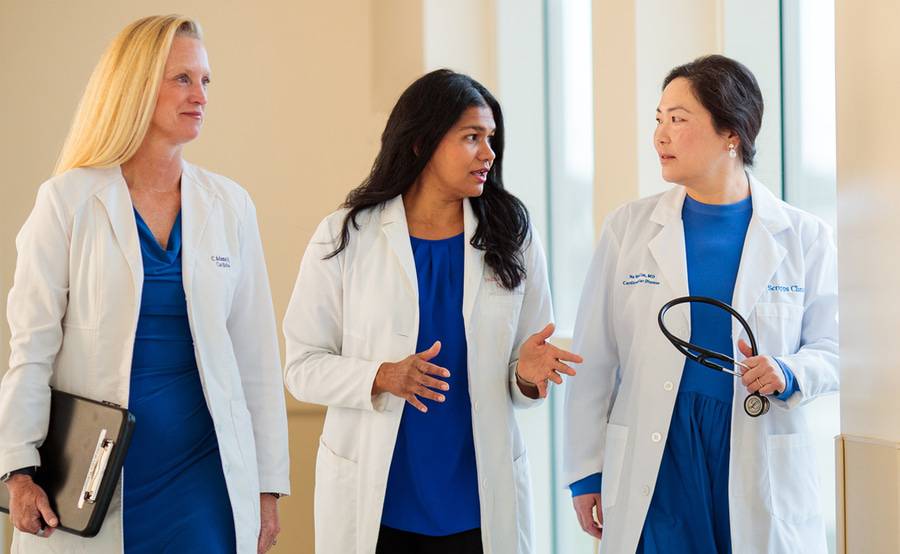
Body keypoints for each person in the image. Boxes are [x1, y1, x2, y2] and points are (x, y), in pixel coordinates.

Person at [0, 15, 290, 553]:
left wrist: (267, 487)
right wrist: (16, 469)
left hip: (204, 478)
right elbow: (31, 348)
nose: (199, 94)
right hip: (94, 481)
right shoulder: (67, 202)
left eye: (205, 81)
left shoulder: (230, 206)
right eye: (181, 79)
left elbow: (256, 359)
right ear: (136, 86)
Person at [283, 69, 580, 554]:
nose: (488, 154)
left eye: (491, 139)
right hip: (379, 504)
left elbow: (522, 373)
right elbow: (301, 367)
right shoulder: (346, 235)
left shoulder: (513, 236)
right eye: (471, 138)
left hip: (478, 504)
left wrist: (527, 375)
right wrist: (380, 375)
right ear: (421, 143)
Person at [563, 54, 838, 553]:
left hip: (751, 446)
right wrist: (585, 472)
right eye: (659, 120)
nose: (661, 136)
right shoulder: (629, 229)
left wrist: (789, 371)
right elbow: (595, 360)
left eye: (678, 120)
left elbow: (835, 348)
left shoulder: (804, 237)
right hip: (659, 451)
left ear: (731, 133)